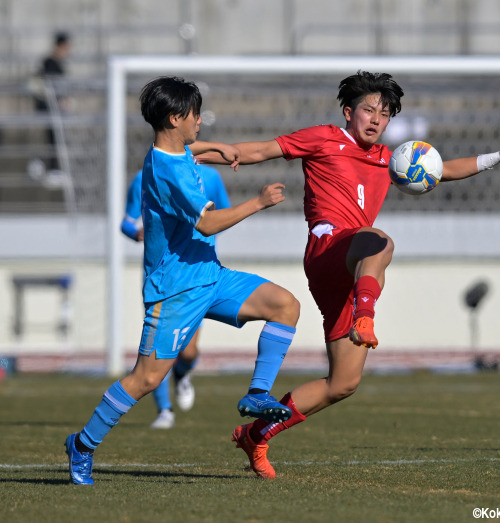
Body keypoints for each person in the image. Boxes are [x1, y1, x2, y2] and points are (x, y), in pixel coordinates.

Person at [197, 70, 500, 478]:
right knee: (380, 240)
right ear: (348, 111)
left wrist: (499, 156)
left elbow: (442, 169)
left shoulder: (389, 160)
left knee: (343, 382)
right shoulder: (323, 138)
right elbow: (256, 151)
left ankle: (256, 435)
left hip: (351, 269)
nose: (376, 119)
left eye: (385, 114)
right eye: (369, 110)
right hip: (328, 250)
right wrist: (187, 153)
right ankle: (365, 315)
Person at [65, 76, 300, 485]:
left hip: (210, 278)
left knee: (285, 305)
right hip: (174, 292)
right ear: (175, 118)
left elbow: (191, 151)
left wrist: (217, 149)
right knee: (146, 379)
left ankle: (257, 393)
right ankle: (82, 445)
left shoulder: (173, 152)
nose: (200, 121)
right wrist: (257, 202)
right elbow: (207, 224)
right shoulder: (166, 171)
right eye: (195, 115)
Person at [121, 165, 231, 429]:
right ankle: (164, 411)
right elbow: (126, 221)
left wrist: (203, 229)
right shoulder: (145, 175)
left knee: (189, 350)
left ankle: (182, 374)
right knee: (160, 347)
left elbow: (224, 213)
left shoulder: (210, 177)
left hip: (197, 272)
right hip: (161, 273)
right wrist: (136, 232)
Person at [32, 31, 71, 170]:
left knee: (55, 138)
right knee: (52, 138)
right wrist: (59, 100)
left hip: (54, 108)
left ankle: (53, 168)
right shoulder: (49, 63)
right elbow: (45, 85)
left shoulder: (56, 63)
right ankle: (51, 168)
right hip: (49, 108)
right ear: (60, 46)